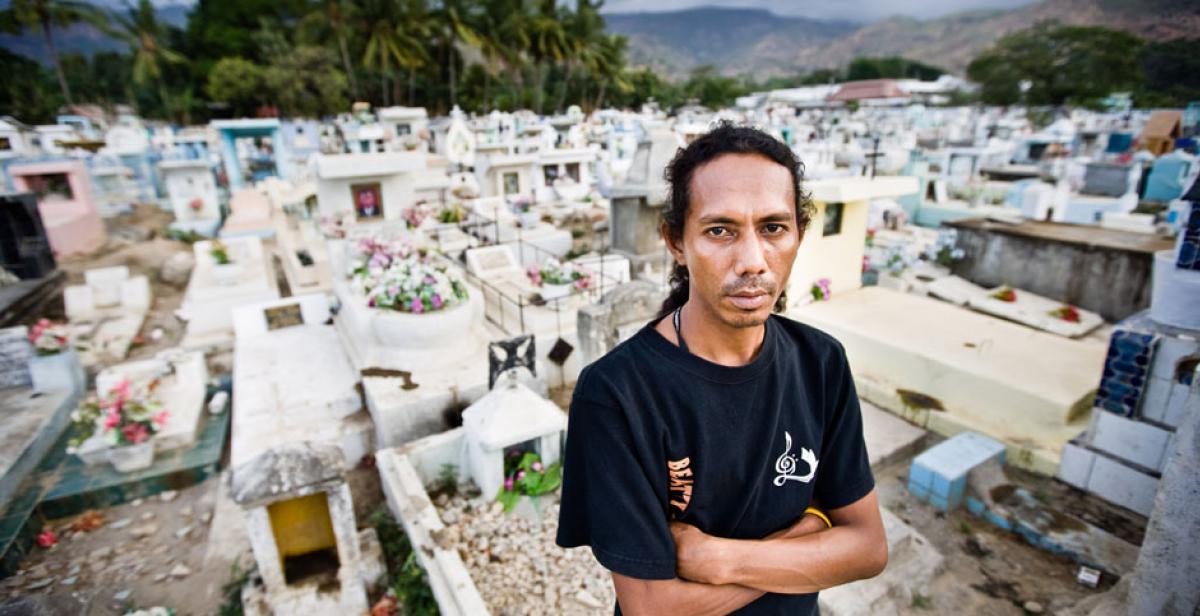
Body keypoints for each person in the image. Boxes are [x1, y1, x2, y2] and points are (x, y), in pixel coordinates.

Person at [556, 122, 887, 615]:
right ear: (675, 241)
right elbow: (654, 607)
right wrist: (807, 542)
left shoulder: (820, 363)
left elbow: (868, 548)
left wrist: (719, 559)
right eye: (720, 230)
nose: (753, 261)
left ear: (798, 232)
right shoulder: (617, 393)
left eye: (774, 227)